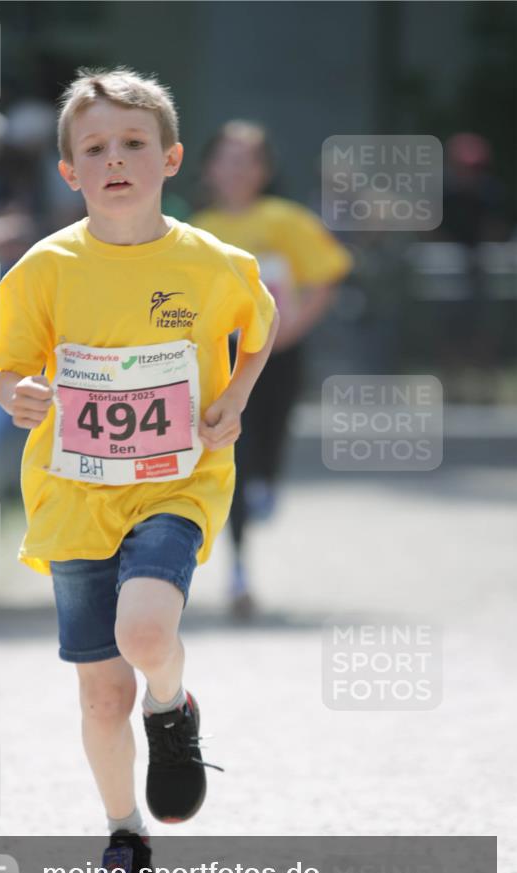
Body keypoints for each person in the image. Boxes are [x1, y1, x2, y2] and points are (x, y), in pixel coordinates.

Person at [0, 68, 279, 873]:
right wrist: (16, 395)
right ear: (69, 171)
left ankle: (172, 709)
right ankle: (124, 834)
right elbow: (11, 367)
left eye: (134, 144)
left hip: (176, 481)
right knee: (102, 692)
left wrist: (234, 401)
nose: (115, 161)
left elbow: (259, 330)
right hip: (73, 493)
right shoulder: (46, 266)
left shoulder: (214, 263)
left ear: (170, 158)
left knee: (145, 632)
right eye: (94, 148)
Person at [190, 121, 353, 618]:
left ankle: (266, 484)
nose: (237, 170)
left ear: (264, 170)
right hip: (223, 365)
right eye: (227, 158)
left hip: (279, 357)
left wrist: (293, 327)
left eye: (248, 160)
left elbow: (327, 275)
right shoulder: (195, 230)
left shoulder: (286, 220)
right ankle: (239, 569)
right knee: (231, 454)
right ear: (209, 167)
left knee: (269, 448)